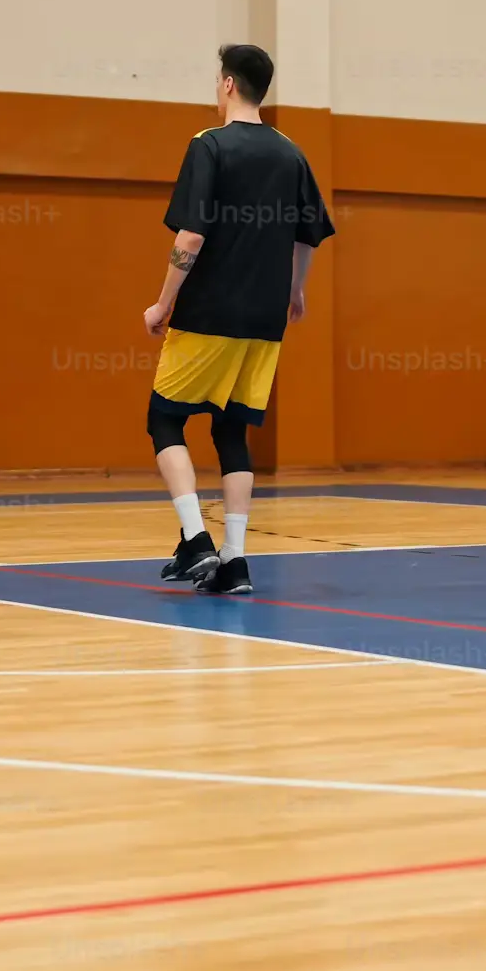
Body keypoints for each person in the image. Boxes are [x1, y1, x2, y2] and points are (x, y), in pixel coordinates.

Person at [142, 44, 333, 598]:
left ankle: (197, 539)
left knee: (165, 420)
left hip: (210, 310)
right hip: (265, 318)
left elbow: (191, 236)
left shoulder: (210, 145)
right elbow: (308, 233)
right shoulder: (291, 153)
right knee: (232, 429)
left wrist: (162, 303)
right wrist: (295, 292)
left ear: (228, 85)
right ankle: (236, 561)